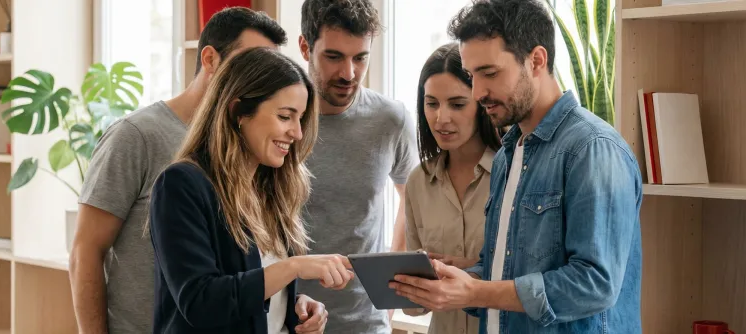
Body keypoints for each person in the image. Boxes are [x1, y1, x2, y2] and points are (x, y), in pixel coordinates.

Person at [389, 0, 643, 333]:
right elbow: (506, 271)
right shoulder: (509, 155)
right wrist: (458, 280)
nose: (478, 92)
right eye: (472, 76)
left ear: (536, 60)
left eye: (490, 73)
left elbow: (594, 284)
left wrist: (477, 291)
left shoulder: (592, 149)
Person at [69, 7, 288, 333]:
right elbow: (86, 251)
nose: (264, 82)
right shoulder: (137, 136)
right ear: (210, 60)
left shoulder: (252, 146)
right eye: (250, 65)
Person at [149, 47, 350, 334]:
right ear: (238, 112)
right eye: (285, 116)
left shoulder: (271, 190)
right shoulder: (180, 185)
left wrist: (294, 306)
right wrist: (292, 268)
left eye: (300, 118)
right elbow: (200, 302)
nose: (297, 133)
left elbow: (253, 294)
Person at [296, 0, 420, 332]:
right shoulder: (281, 120)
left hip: (367, 322)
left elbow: (413, 201)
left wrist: (389, 297)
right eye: (334, 56)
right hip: (289, 318)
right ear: (305, 47)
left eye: (360, 58)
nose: (348, 74)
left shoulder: (390, 119)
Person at [402, 43, 503, 334]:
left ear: (482, 105)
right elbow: (414, 305)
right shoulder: (418, 182)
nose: (441, 118)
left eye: (457, 104)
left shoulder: (512, 175)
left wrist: (471, 270)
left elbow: (532, 279)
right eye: (432, 103)